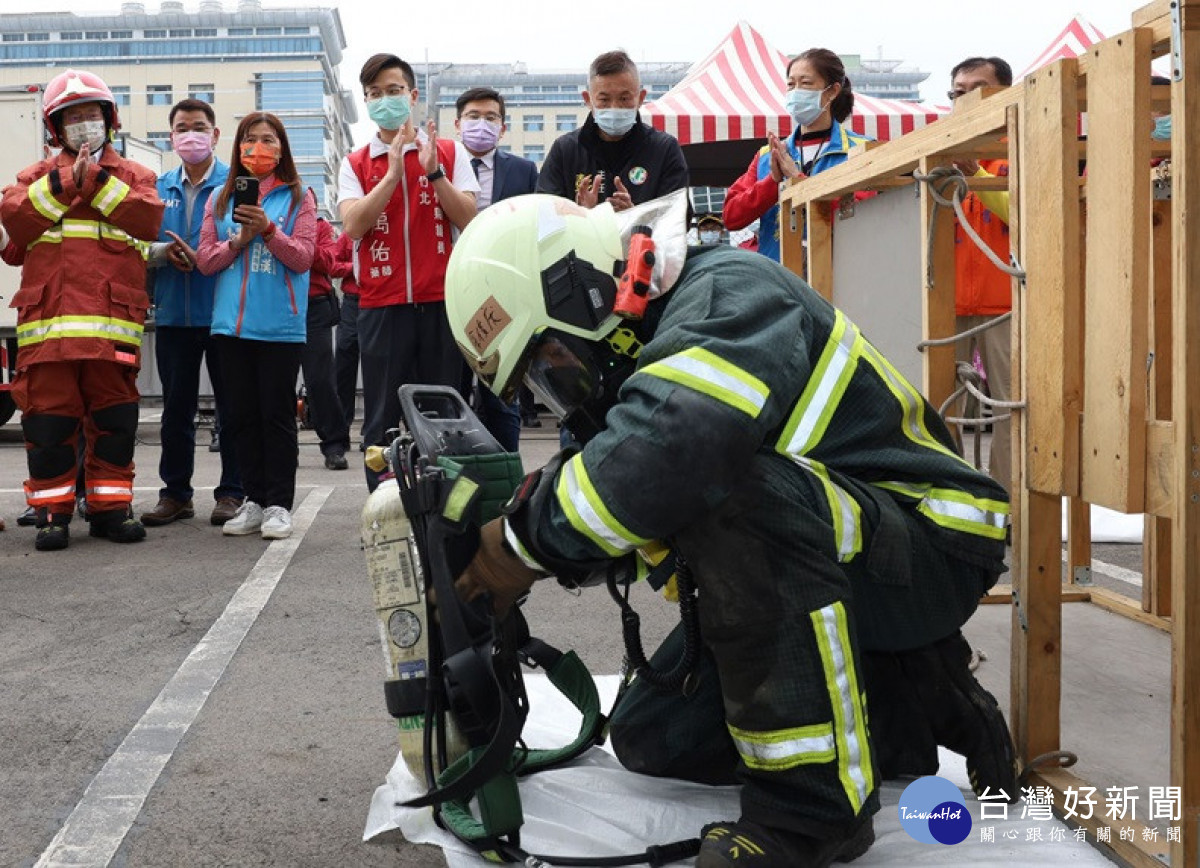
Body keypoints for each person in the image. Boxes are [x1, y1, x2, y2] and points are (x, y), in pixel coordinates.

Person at [443, 193, 1017, 867]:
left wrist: (516, 549)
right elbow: (625, 474)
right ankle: (909, 690)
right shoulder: (648, 351)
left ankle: (809, 817)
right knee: (654, 738)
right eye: (538, 388)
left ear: (580, 289)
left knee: (727, 491)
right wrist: (516, 542)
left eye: (549, 367)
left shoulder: (726, 291)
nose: (561, 394)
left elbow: (675, 446)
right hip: (840, 550)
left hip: (931, 545)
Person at [1, 69, 163, 551]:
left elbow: (148, 219)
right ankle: (52, 512)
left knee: (114, 424)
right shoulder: (33, 179)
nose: (84, 124)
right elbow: (14, 222)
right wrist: (65, 184)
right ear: (56, 128)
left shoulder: (135, 177)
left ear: (108, 120)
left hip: (111, 332)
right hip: (48, 333)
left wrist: (93, 183)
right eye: (73, 117)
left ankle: (111, 511)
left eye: (91, 115)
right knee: (48, 424)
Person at [338, 53, 480, 489]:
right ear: (367, 102)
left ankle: (445, 509)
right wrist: (392, 173)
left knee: (446, 416)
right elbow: (353, 225)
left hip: (441, 303)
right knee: (381, 418)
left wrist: (433, 172)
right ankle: (386, 510)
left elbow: (470, 219)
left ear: (413, 96)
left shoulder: (449, 153)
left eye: (394, 91)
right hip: (381, 306)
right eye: (375, 94)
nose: (385, 100)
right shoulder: (356, 163)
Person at [195, 112, 316, 540]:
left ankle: (279, 504)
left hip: (280, 329)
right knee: (240, 417)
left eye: (268, 139)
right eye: (250, 139)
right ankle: (253, 499)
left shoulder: (300, 196)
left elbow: (303, 257)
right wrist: (237, 241)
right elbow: (205, 261)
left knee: (277, 418)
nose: (258, 147)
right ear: (238, 146)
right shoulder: (220, 199)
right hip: (230, 328)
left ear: (282, 148)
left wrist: (267, 231)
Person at [141, 98, 245, 528]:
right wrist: (164, 254)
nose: (191, 135)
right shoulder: (156, 188)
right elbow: (135, 246)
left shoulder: (236, 185)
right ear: (171, 137)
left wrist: (205, 255)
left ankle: (233, 493)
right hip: (173, 317)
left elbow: (245, 241)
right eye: (182, 127)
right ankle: (176, 494)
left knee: (232, 407)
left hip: (223, 314)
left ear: (216, 134)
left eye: (199, 127)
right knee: (176, 410)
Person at [723, 49, 871, 262]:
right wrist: (773, 182)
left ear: (832, 91)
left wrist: (798, 182)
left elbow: (861, 215)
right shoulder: (767, 155)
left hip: (839, 277)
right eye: (791, 84)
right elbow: (731, 217)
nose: (796, 91)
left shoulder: (860, 150)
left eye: (806, 83)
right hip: (777, 279)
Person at [455, 85, 539, 452]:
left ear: (502, 128)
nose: (481, 124)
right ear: (458, 124)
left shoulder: (523, 171)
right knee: (451, 392)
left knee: (502, 393)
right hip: (449, 291)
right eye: (473, 116)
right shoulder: (439, 166)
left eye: (491, 118)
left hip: (502, 294)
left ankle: (508, 482)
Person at [947, 56, 1014, 494]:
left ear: (1003, 92)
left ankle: (1011, 504)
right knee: (938, 406)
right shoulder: (942, 150)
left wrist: (977, 176)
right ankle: (946, 500)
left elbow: (1025, 217)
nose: (964, 99)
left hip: (1007, 301)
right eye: (957, 92)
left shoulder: (1022, 148)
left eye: (976, 88)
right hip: (948, 303)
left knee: (1013, 409)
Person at [537, 49, 689, 211]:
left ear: (641, 98)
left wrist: (633, 215)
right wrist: (581, 215)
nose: (615, 107)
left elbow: (678, 218)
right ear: (588, 100)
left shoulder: (664, 149)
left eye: (624, 98)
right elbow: (545, 213)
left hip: (642, 236)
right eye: (604, 100)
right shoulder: (565, 150)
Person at [301, 217, 352, 470]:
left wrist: (298, 243)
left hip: (314, 305)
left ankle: (334, 443)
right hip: (277, 303)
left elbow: (329, 263)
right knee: (275, 381)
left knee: (320, 379)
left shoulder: (319, 225)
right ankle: (282, 448)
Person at [332, 229, 360, 449]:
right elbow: (332, 265)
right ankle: (341, 428)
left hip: (382, 302)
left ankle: (374, 430)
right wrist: (355, 268)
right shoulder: (350, 233)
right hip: (352, 301)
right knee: (344, 357)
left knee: (378, 365)